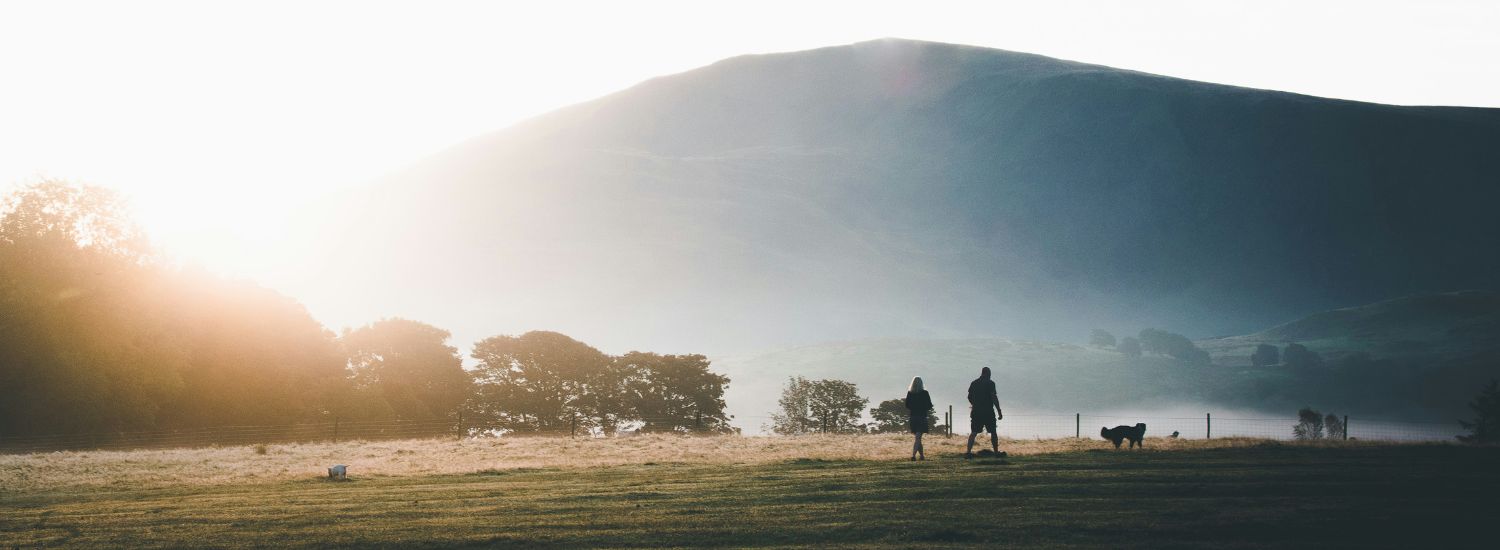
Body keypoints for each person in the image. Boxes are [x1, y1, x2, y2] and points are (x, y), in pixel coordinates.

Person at [966, 366, 1006, 458]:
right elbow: (994, 397)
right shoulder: (991, 383)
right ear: (988, 374)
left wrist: (974, 404)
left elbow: (969, 397)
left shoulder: (974, 383)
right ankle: (996, 452)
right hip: (988, 412)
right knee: (993, 432)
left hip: (976, 411)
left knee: (974, 432)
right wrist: (999, 411)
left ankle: (968, 452)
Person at [903, 376, 933, 461]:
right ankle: (913, 455)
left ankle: (922, 456)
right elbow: (929, 405)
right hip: (922, 417)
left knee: (918, 438)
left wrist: (914, 407)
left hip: (913, 417)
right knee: (918, 438)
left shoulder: (910, 393)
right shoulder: (925, 393)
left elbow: (907, 405)